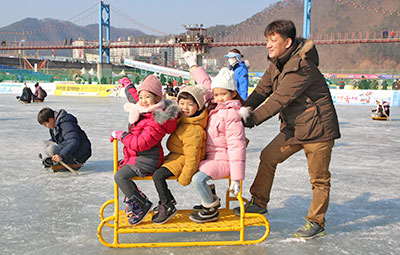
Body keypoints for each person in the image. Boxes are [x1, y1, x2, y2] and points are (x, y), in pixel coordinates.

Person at [234, 20, 341, 240]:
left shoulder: (302, 66)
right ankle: (259, 203)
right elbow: (262, 90)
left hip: (318, 129)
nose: (268, 45)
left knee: (319, 179)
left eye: (273, 40)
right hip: (294, 128)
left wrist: (250, 120)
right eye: (267, 40)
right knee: (268, 156)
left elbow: (279, 100)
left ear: (288, 42)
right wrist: (240, 109)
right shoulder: (276, 63)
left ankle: (316, 222)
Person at [184, 51, 247, 223]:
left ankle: (210, 207)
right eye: (217, 94)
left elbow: (236, 147)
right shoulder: (215, 106)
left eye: (223, 95)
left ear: (233, 94)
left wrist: (236, 178)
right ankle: (211, 199)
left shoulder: (232, 115)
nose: (219, 98)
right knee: (189, 169)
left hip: (224, 160)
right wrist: (193, 65)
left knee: (198, 179)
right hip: (211, 157)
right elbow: (206, 83)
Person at [111, 75, 179, 225]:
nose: (142, 100)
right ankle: (135, 199)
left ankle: (141, 204)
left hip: (147, 161)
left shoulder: (155, 119)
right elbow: (133, 96)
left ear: (156, 98)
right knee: (120, 169)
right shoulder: (142, 108)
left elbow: (141, 144)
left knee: (120, 176)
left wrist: (121, 136)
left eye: (147, 97)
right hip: (138, 157)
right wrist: (127, 83)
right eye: (141, 97)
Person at [151, 84, 208, 224]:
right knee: (155, 169)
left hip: (183, 160)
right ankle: (168, 200)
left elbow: (192, 158)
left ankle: (167, 204)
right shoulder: (183, 120)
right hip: (176, 156)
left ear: (199, 106)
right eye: (181, 104)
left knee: (158, 176)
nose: (185, 108)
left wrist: (185, 177)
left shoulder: (193, 129)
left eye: (190, 104)